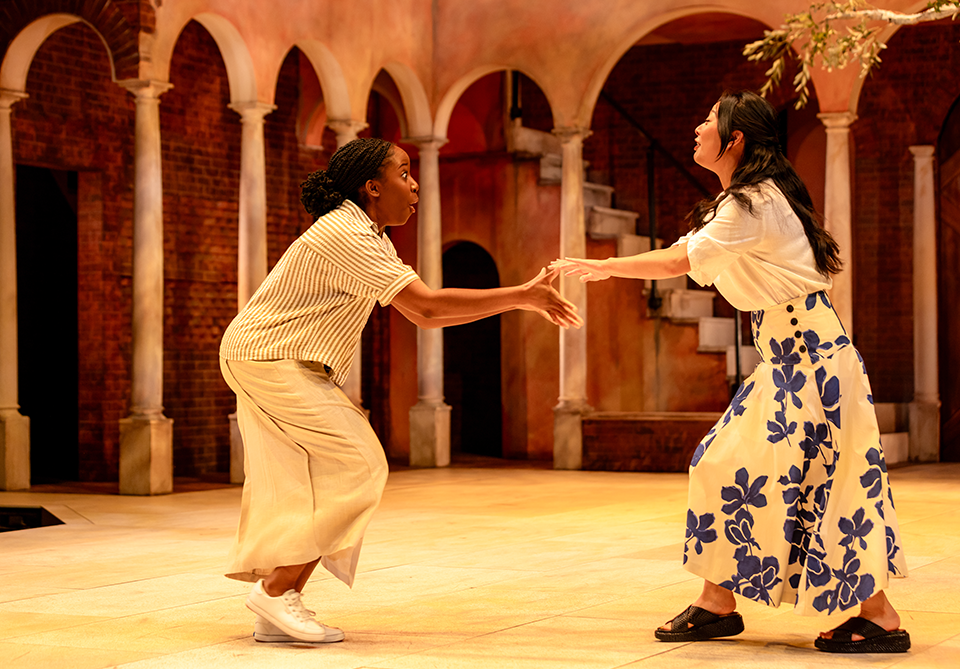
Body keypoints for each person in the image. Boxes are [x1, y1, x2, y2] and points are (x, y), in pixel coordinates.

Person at [551, 91, 909, 654]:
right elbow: (692, 250)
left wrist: (603, 265)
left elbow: (678, 260)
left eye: (708, 121)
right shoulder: (750, 201)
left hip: (810, 362)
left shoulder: (752, 204)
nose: (697, 128)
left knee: (816, 481)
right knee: (739, 466)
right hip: (797, 359)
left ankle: (875, 616)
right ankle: (719, 602)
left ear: (735, 140)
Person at [220, 137, 581, 644]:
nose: (414, 186)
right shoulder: (347, 232)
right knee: (359, 463)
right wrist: (521, 296)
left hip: (271, 357)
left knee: (310, 480)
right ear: (372, 187)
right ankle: (277, 592)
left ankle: (277, 607)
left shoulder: (371, 235)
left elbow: (421, 315)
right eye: (404, 174)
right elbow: (430, 306)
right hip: (270, 357)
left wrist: (522, 301)